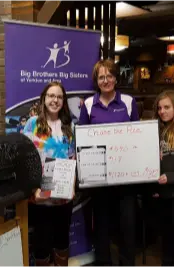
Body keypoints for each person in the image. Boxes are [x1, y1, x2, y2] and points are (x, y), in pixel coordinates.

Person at [79, 59, 139, 267]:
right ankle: (104, 263)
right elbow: (82, 140)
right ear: (97, 80)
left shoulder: (129, 102)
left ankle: (126, 263)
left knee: (127, 227)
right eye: (101, 77)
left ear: (115, 77)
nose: (106, 80)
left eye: (110, 75)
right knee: (102, 226)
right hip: (99, 178)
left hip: (126, 177)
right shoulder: (88, 104)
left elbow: (138, 138)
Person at [23, 81, 75, 267]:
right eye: (51, 96)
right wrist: (33, 189)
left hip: (63, 197)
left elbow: (72, 159)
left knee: (62, 241)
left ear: (64, 101)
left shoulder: (69, 127)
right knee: (42, 244)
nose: (55, 100)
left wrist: (72, 186)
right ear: (44, 99)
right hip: (42, 196)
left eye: (59, 97)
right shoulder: (32, 124)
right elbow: (25, 159)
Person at [153, 90, 174, 267]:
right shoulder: (156, 131)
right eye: (159, 108)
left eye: (167, 107)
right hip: (163, 194)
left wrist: (171, 177)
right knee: (167, 237)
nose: (162, 111)